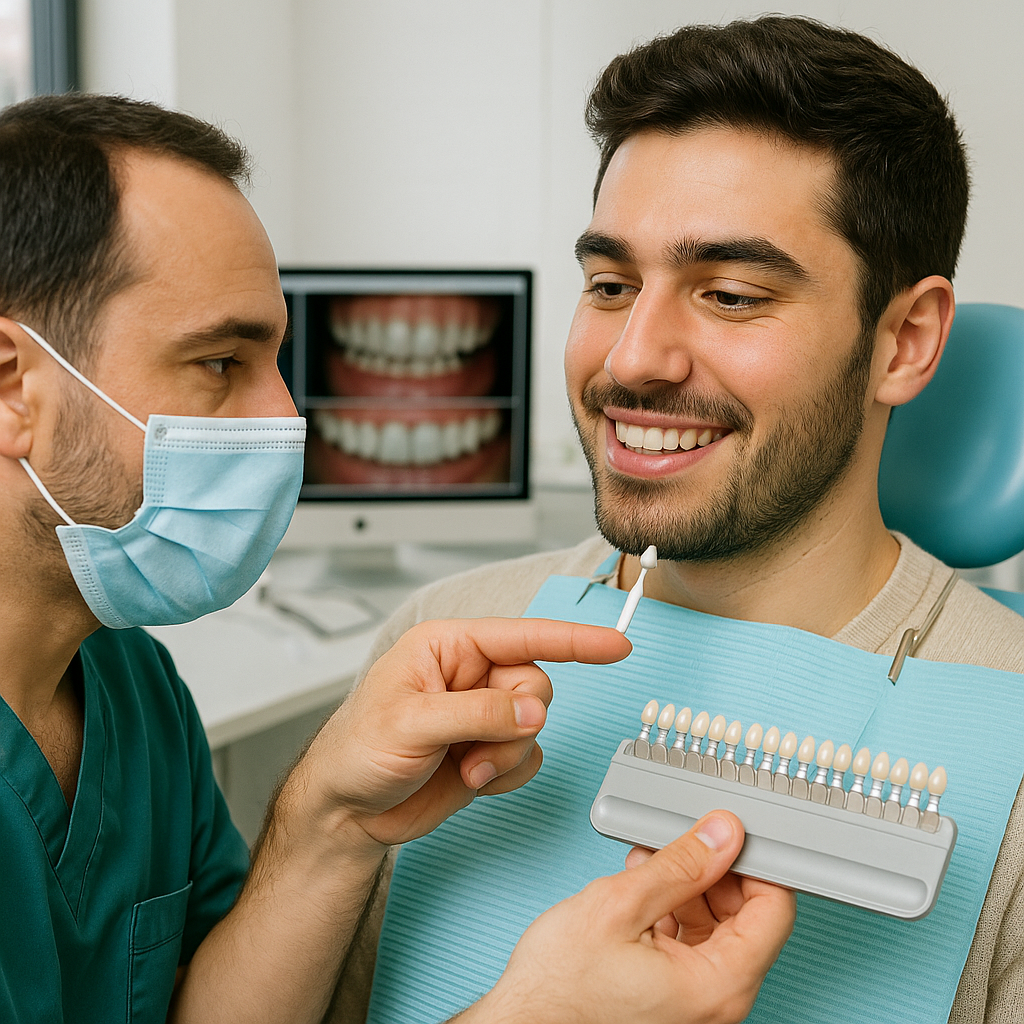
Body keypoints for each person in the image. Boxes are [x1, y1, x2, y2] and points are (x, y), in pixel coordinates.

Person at [0, 92, 795, 1023]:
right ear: (14, 386)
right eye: (220, 363)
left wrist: (328, 825)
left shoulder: (130, 683)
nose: (286, 421)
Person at [344, 15, 1024, 1024]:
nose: (632, 358)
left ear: (903, 342)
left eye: (733, 294)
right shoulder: (443, 643)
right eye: (610, 285)